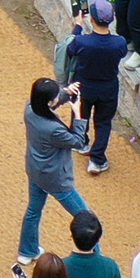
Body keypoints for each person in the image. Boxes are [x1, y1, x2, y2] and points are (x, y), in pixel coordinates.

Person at [17, 76, 89, 263]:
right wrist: (78, 115)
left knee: (33, 210)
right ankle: (92, 256)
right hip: (56, 179)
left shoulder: (30, 109)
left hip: (35, 171)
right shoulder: (53, 130)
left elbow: (48, 105)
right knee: (87, 220)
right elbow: (78, 141)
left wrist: (66, 93)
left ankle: (27, 251)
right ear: (49, 100)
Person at [67, 0, 128, 174]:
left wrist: (78, 25)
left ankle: (81, 142)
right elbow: (122, 53)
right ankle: (97, 160)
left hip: (83, 87)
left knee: (80, 116)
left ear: (91, 18)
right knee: (103, 123)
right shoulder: (120, 42)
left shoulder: (82, 41)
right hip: (108, 89)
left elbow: (70, 48)